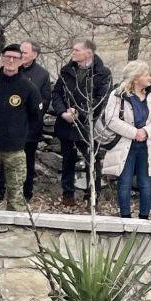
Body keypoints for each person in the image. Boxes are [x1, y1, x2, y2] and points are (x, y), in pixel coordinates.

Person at [0, 44, 43, 207]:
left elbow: (35, 116)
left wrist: (20, 134)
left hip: (15, 149)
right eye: (8, 57)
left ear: (21, 61)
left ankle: (16, 222)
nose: (11, 61)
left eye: (15, 58)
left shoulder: (28, 88)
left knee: (16, 192)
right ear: (1, 59)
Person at [100, 60, 151, 220]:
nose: (150, 78)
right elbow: (111, 119)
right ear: (136, 78)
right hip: (125, 144)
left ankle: (144, 218)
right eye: (146, 75)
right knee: (125, 181)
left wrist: (146, 132)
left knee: (146, 182)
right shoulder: (118, 95)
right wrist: (134, 133)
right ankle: (125, 218)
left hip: (148, 145)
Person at [50, 38, 111, 205]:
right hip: (66, 123)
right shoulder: (67, 70)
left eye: (76, 50)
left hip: (87, 126)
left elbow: (101, 99)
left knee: (92, 161)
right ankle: (67, 196)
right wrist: (63, 112)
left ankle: (92, 197)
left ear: (88, 53)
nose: (73, 53)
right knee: (67, 160)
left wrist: (80, 111)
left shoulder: (102, 73)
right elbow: (56, 93)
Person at [15, 41, 51, 204]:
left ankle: (26, 192)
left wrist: (31, 113)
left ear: (34, 54)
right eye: (20, 51)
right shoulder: (12, 69)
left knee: (28, 161)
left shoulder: (42, 75)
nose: (21, 55)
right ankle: (0, 191)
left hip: (30, 127)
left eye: (24, 52)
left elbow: (45, 100)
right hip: (9, 125)